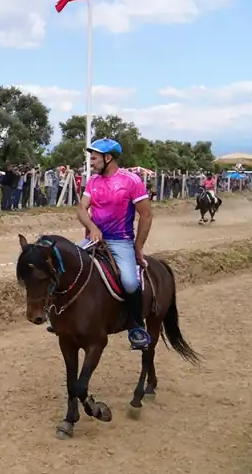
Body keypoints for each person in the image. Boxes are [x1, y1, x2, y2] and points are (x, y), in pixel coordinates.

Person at [74, 138, 154, 351]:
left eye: (94, 158)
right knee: (67, 266)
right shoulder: (93, 181)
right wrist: (92, 227)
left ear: (107, 158)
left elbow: (146, 214)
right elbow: (82, 209)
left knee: (129, 282)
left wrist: (138, 246)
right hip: (94, 239)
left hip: (121, 242)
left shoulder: (131, 181)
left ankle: (136, 326)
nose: (91, 162)